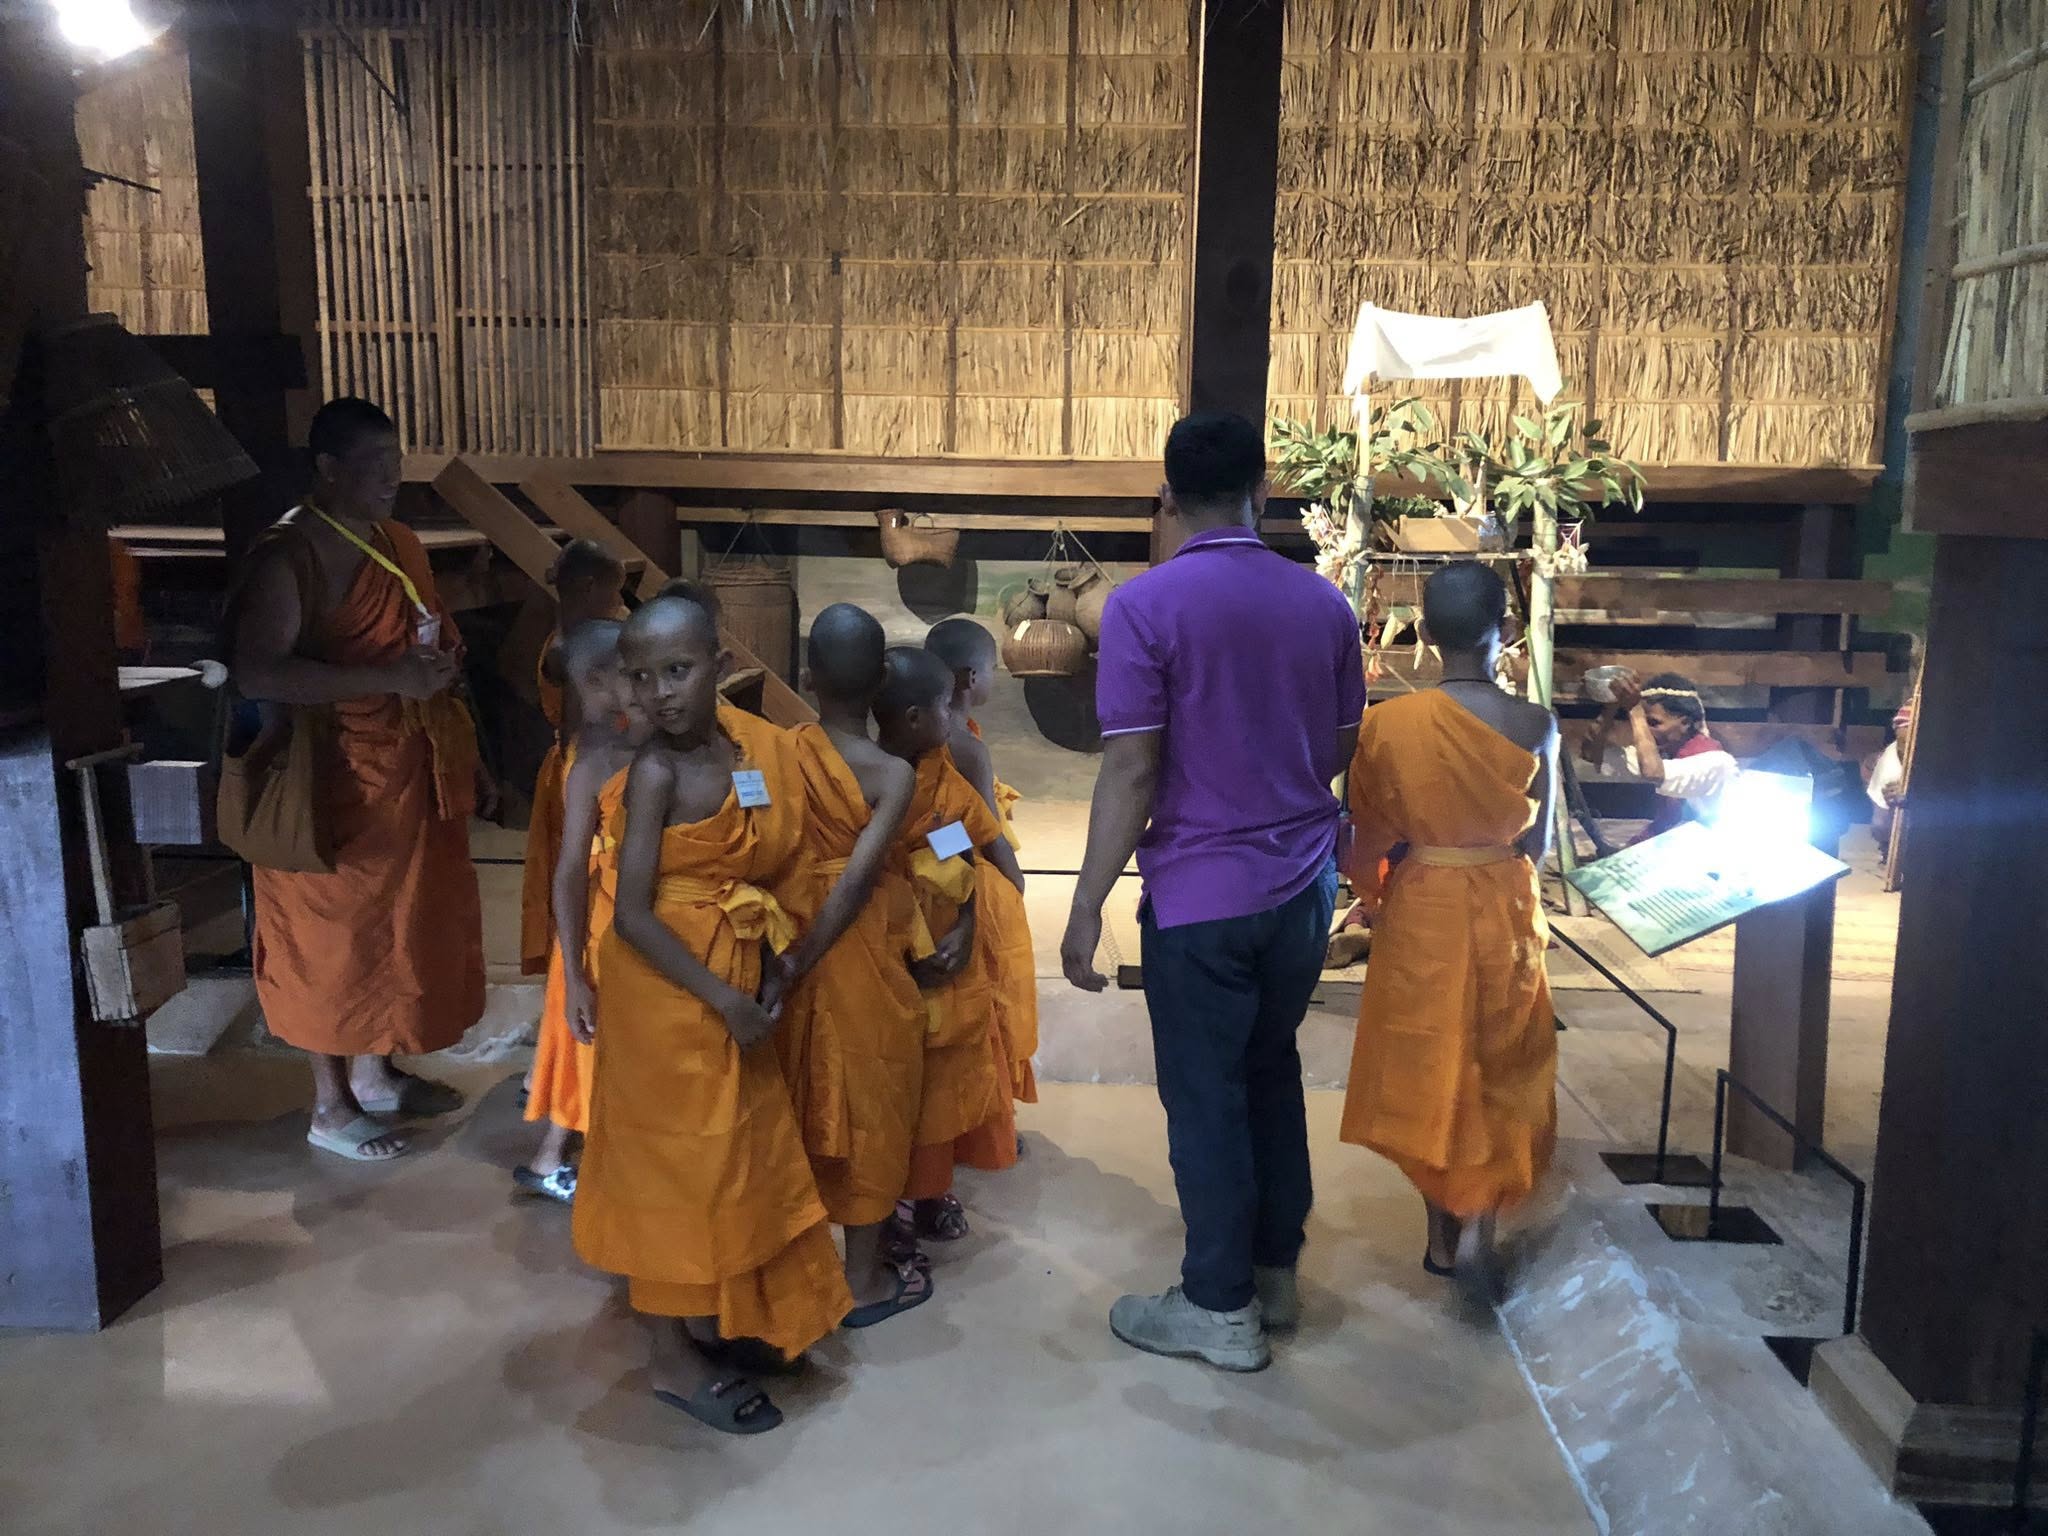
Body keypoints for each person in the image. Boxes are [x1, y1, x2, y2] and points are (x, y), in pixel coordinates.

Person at [1060, 411, 1362, 1373]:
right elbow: (1342, 743)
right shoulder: (1325, 605)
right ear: (1262, 493)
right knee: (1270, 1071)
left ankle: (1218, 1307)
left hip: (1200, 899)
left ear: (1168, 498)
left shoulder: (1144, 608)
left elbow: (1132, 768)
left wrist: (1085, 903)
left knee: (1204, 1096)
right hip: (1302, 892)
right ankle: (1274, 1277)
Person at [572, 596, 850, 1436]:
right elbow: (631, 915)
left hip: (730, 982)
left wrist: (768, 966)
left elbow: (757, 866)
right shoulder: (655, 772)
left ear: (720, 666)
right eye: (642, 676)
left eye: (678, 671)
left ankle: (709, 1318)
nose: (659, 693)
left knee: (732, 1164)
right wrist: (723, 997)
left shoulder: (743, 750)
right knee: (670, 1171)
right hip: (668, 994)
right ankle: (668, 1357)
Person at [229, 396, 490, 1162]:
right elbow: (257, 672)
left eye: (396, 464)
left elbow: (426, 632)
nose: (390, 480)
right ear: (328, 468)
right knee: (329, 939)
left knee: (399, 928)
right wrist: (386, 678)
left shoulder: (396, 542)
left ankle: (375, 1075)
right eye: (374, 466)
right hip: (327, 776)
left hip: (405, 766)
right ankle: (329, 1103)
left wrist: (431, 673)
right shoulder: (290, 556)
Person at [1336, 561, 1559, 1290]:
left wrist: (1376, 895)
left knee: (1431, 1067)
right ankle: (1482, 1228)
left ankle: (1440, 1236)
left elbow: (1366, 836)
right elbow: (1539, 845)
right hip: (1504, 906)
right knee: (1501, 1062)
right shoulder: (1536, 724)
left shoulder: (1387, 724)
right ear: (1507, 630)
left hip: (1423, 908)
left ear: (1426, 633)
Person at [769, 603, 934, 1324]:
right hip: (855, 952)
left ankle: (787, 1273)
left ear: (807, 677)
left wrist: (788, 958)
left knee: (793, 1100)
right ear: (881, 684)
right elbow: (859, 877)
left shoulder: (778, 752)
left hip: (782, 942)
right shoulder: (891, 773)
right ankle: (861, 1282)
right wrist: (810, 955)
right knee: (870, 1109)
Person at [872, 646, 1018, 1257]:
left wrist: (965, 923)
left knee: (940, 1082)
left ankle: (930, 1190)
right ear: (913, 717)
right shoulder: (862, 776)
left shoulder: (942, 775)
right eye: (941, 708)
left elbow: (960, 844)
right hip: (883, 955)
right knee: (889, 1083)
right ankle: (890, 1206)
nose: (951, 718)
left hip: (943, 952)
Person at [513, 618, 643, 1203]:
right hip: (593, 929)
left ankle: (554, 1156)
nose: (645, 686)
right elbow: (572, 868)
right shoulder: (591, 757)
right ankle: (556, 1161)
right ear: (597, 681)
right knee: (589, 1050)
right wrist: (572, 969)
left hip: (612, 923)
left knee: (594, 1051)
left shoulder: (625, 742)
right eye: (633, 674)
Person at [925, 616, 1038, 1164]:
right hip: (973, 881)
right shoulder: (966, 746)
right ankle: (986, 1128)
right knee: (988, 1009)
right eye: (992, 669)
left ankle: (950, 1130)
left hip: (931, 877)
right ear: (971, 678)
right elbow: (984, 829)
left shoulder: (919, 731)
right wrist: (1014, 879)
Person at [520, 540, 627, 980]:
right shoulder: (576, 649)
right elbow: (586, 724)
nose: (619, 603)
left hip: (577, 768)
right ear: (588, 587)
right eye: (614, 592)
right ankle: (576, 966)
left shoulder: (565, 640)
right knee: (582, 870)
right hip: (587, 770)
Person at [1581, 668, 1735, 839]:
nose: (1645, 731)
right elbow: (1591, 754)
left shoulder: (1715, 762)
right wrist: (1611, 706)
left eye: (1653, 723)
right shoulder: (1662, 754)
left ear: (1685, 723)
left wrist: (1635, 711)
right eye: (1645, 723)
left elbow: (1653, 773)